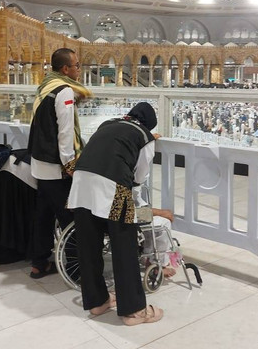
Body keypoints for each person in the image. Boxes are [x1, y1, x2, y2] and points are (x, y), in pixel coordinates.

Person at [67, 102, 164, 325]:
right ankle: (134, 311)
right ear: (149, 125)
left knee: (89, 246)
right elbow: (139, 176)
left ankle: (97, 302)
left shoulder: (107, 124)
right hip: (114, 187)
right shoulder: (145, 136)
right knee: (125, 246)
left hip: (81, 183)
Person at [27, 48, 91, 278]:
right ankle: (76, 269)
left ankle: (39, 263)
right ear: (65, 69)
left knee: (43, 217)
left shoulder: (45, 85)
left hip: (39, 163)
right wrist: (70, 164)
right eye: (76, 65)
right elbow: (64, 133)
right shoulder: (63, 91)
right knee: (69, 219)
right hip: (55, 167)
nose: (78, 69)